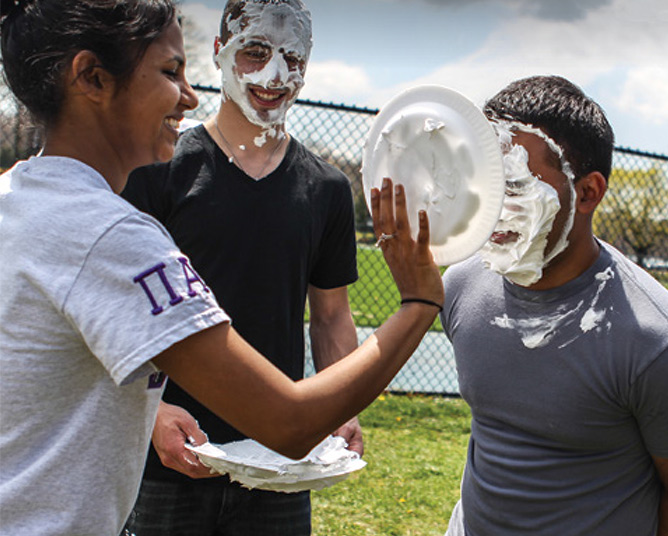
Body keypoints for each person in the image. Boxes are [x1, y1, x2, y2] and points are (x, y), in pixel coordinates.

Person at [0, 1, 443, 535]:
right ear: (92, 77)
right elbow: (290, 421)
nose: (188, 94)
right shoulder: (114, 234)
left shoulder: (16, 196)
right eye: (170, 72)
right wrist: (419, 303)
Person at [440, 76, 668, 536]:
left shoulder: (664, 346)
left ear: (589, 193)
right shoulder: (463, 284)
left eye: (513, 184)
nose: (488, 205)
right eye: (485, 180)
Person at [119, 1, 361, 533]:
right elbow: (121, 313)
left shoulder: (327, 188)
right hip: (171, 456)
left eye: (292, 58)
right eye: (255, 53)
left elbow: (330, 317)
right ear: (219, 53)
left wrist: (342, 404)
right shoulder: (160, 170)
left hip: (280, 458)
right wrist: (149, 414)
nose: (275, 75)